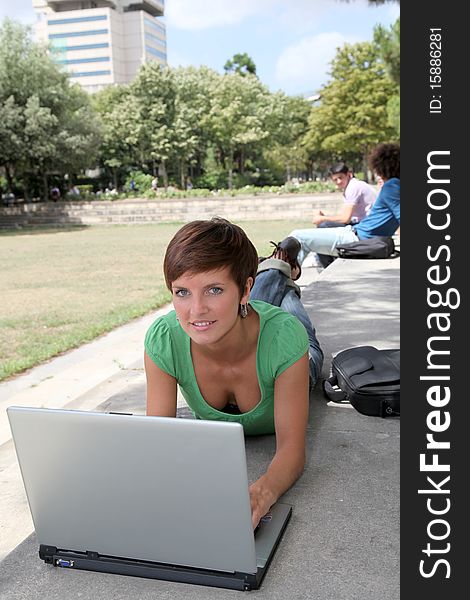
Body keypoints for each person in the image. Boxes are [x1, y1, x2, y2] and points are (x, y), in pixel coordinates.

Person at [144, 218, 323, 529]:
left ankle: (281, 269)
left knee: (292, 310)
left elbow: (292, 449)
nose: (195, 309)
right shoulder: (164, 340)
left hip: (294, 356)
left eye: (214, 289)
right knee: (259, 301)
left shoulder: (285, 338)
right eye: (182, 292)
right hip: (241, 317)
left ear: (244, 289)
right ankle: (279, 266)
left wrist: (262, 493)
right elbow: (157, 445)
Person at [287, 143, 400, 264]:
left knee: (297, 237)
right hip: (355, 231)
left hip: (357, 238)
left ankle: (277, 281)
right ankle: (287, 277)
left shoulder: (392, 186)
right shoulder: (395, 185)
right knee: (303, 238)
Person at [313, 163, 377, 268]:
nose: (338, 182)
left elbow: (345, 218)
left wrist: (322, 218)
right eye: (335, 179)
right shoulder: (352, 186)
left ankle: (328, 266)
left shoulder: (353, 187)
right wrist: (325, 218)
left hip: (366, 226)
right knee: (325, 224)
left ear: (349, 174)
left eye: (340, 178)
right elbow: (346, 217)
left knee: (322, 227)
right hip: (362, 223)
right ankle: (330, 261)